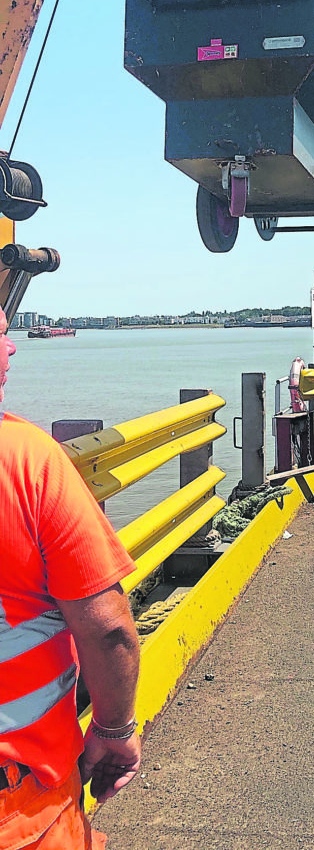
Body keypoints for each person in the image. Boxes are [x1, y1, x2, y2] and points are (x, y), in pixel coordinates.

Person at [0, 306, 141, 848]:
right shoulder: (26, 461)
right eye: (2, 336)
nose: (11, 349)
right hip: (19, 806)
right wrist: (112, 730)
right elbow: (108, 629)